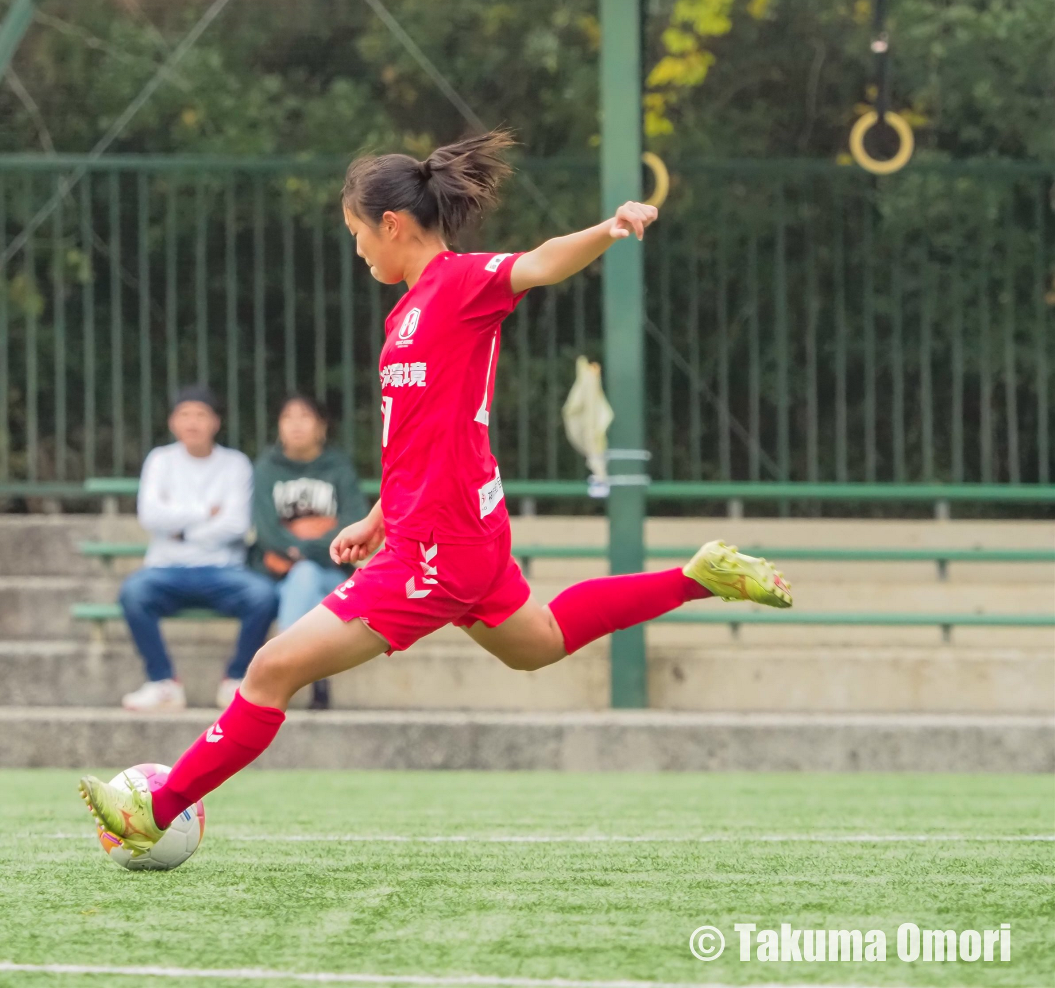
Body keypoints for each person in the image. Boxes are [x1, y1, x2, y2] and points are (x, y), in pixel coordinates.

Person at [82, 131, 792, 846]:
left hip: (438, 548)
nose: (358, 250)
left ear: (391, 225)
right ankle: (697, 577)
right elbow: (419, 437)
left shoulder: (459, 284)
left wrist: (609, 228)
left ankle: (160, 807)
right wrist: (380, 515)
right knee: (537, 643)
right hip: (449, 531)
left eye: (358, 234)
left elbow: (539, 263)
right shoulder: (405, 313)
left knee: (268, 671)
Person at [118, 385, 279, 712]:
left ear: (215, 422)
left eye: (201, 415)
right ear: (173, 422)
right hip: (165, 569)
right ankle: (162, 683)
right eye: (185, 415)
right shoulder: (160, 460)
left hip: (224, 571)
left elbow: (236, 523)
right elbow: (150, 515)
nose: (192, 423)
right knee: (133, 592)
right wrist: (207, 513)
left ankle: (237, 680)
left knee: (263, 596)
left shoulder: (235, 464)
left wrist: (180, 529)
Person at [251, 394, 368, 709]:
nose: (296, 425)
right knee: (307, 586)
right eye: (288, 417)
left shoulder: (338, 467)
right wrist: (314, 542)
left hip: (331, 572)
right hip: (281, 574)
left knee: (308, 579)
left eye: (305, 417)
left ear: (322, 427)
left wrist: (304, 547)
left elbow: (354, 522)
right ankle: (316, 679)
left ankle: (284, 670)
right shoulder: (267, 469)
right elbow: (265, 529)